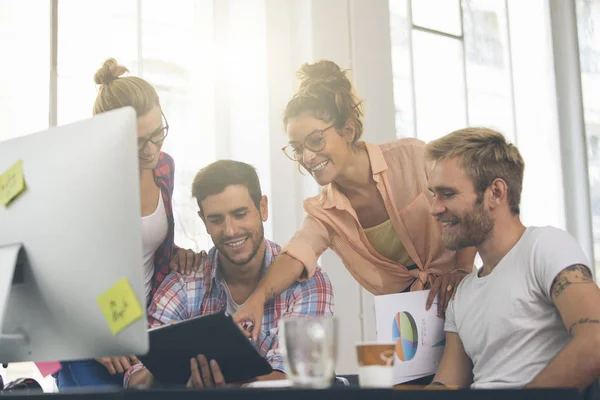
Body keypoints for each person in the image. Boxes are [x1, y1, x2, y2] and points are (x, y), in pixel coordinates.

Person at [215, 60, 477, 339]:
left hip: (461, 298)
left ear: (348, 131)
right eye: (297, 148)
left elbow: (467, 206)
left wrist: (461, 270)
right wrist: (256, 300)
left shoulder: (412, 158)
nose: (307, 157)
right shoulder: (324, 213)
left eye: (315, 141)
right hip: (406, 324)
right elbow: (295, 255)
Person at [125, 160, 334, 388]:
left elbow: (297, 379)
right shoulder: (184, 282)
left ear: (263, 208)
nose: (231, 230)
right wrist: (170, 373)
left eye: (240, 214)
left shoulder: (308, 283)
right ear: (204, 221)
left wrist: (226, 387)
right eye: (216, 220)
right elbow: (135, 378)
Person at [56, 58, 199, 390]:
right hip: (91, 341)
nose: (151, 150)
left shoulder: (164, 167)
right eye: (138, 141)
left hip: (144, 337)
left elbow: (144, 245)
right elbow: (60, 271)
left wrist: (179, 255)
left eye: (157, 133)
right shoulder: (82, 181)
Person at [426, 127, 600, 389]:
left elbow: (595, 339)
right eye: (433, 194)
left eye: (448, 194)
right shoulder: (462, 295)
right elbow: (446, 385)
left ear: (496, 192)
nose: (434, 209)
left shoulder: (545, 247)